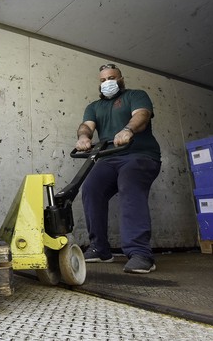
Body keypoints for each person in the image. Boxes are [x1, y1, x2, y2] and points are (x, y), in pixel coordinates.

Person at [75, 63, 161, 274]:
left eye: (112, 78)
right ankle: (100, 248)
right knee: (91, 189)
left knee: (129, 184)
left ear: (121, 79)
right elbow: (87, 125)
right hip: (108, 158)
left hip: (140, 155)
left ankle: (140, 253)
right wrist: (84, 136)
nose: (108, 83)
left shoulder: (135, 95)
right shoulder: (94, 106)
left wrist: (128, 130)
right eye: (103, 80)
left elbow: (141, 115)